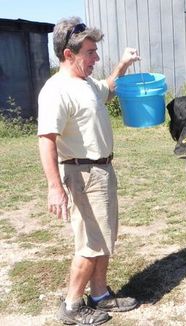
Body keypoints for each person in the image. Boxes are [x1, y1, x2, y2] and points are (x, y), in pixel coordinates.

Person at [38, 17, 140, 325]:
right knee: (90, 244)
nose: (96, 58)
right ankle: (71, 306)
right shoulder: (57, 90)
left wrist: (122, 64)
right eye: (90, 53)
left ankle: (99, 294)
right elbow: (46, 140)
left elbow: (108, 89)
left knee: (104, 238)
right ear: (69, 55)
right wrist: (55, 187)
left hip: (101, 171)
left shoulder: (85, 84)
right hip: (83, 175)